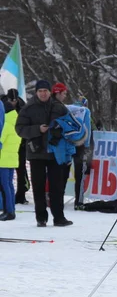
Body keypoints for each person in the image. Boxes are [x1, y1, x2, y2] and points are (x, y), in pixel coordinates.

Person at [15, 80, 72, 227]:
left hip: (55, 153)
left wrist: (59, 131)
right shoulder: (28, 108)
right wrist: (37, 130)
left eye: (45, 91)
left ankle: (59, 217)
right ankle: (41, 218)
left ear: (50, 92)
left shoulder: (59, 107)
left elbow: (69, 126)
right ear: (36, 92)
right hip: (36, 153)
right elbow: (20, 129)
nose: (43, 93)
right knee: (38, 187)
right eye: (40, 91)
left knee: (57, 187)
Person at [0, 90, 28, 204]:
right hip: (11, 148)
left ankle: (15, 199)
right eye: (12, 100)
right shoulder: (5, 107)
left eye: (15, 100)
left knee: (10, 178)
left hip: (16, 148)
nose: (14, 102)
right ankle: (9, 203)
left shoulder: (22, 109)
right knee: (8, 181)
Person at [0, 94, 19, 220]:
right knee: (10, 184)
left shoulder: (6, 124)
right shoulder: (16, 122)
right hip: (13, 157)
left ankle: (8, 211)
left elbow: (1, 140)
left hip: (3, 158)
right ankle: (12, 208)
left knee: (4, 185)